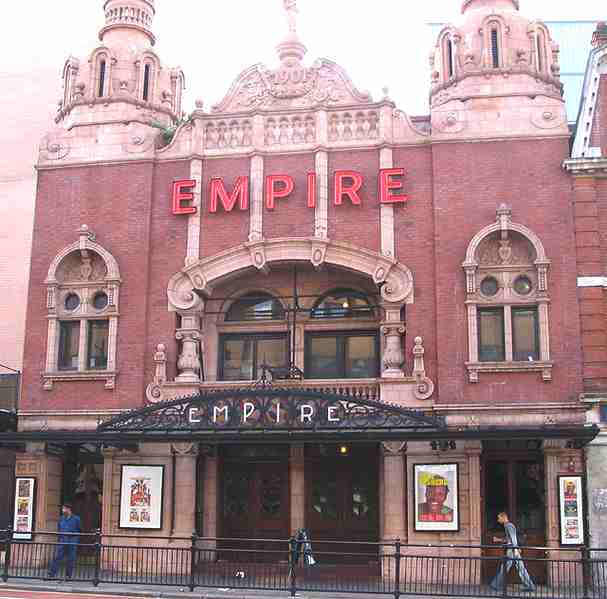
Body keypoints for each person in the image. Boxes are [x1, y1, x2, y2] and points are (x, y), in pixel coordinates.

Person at [489, 512, 536, 593]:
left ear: (503, 517)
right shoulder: (507, 525)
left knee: (505, 567)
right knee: (520, 568)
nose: (498, 520)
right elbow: (510, 539)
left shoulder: (509, 526)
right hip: (513, 549)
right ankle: (530, 586)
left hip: (512, 550)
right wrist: (498, 540)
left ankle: (495, 584)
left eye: (499, 518)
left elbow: (513, 539)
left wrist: (515, 548)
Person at [47, 502, 81, 580]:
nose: (62, 510)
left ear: (68, 509)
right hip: (63, 539)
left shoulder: (76, 518)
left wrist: (74, 536)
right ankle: (51, 574)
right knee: (58, 556)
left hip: (72, 540)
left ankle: (68, 576)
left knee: (71, 558)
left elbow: (79, 529)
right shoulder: (61, 518)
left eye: (64, 509)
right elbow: (59, 528)